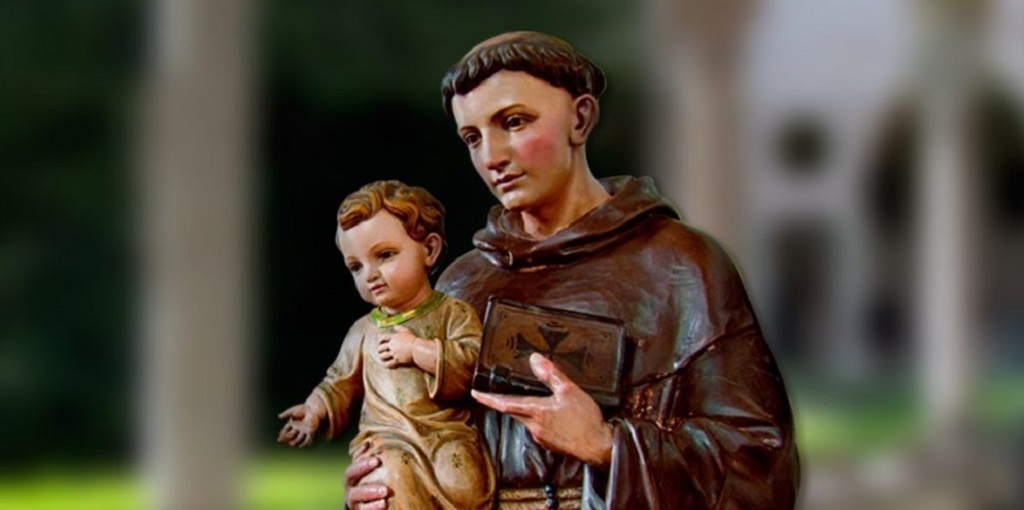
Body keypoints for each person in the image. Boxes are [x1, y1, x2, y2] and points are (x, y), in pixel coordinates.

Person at [345, 32, 800, 509]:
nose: (492, 157)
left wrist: (608, 447)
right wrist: (379, 487)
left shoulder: (680, 268)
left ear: (580, 118)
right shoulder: (462, 285)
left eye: (514, 122)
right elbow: (420, 436)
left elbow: (760, 464)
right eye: (473, 138)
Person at [278, 180, 495, 510]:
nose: (370, 274)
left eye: (385, 255)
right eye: (356, 266)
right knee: (389, 480)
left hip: (447, 434)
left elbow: (475, 364)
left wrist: (417, 349)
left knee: (464, 483)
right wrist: (313, 410)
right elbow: (338, 383)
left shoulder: (453, 314)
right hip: (387, 439)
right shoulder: (363, 331)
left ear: (429, 250)